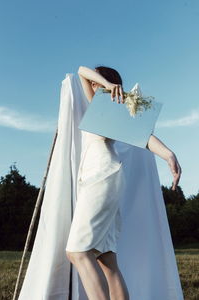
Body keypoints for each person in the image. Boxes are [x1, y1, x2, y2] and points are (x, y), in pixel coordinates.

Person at [65, 65, 182, 300]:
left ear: (104, 85)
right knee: (106, 258)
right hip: (106, 177)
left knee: (77, 252)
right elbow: (82, 71)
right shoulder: (100, 105)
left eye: (97, 82)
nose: (91, 84)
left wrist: (169, 154)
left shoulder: (111, 107)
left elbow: (145, 135)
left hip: (101, 177)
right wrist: (107, 85)